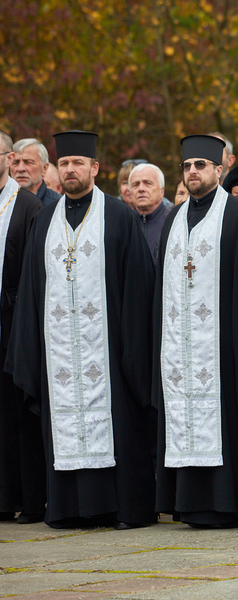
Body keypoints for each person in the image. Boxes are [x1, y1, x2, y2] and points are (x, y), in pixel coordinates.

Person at [5, 130, 157, 529]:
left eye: (78, 163)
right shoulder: (44, 219)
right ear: (57, 169)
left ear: (95, 168)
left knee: (119, 425)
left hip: (109, 350)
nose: (70, 170)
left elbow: (139, 288)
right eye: (65, 164)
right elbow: (32, 289)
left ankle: (123, 509)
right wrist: (30, 349)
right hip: (58, 354)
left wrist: (132, 349)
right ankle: (69, 508)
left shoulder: (118, 215)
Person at [153, 134, 238, 529]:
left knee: (227, 422)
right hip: (180, 345)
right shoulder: (174, 217)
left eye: (200, 165)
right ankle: (189, 505)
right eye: (186, 167)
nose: (192, 173)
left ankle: (231, 506)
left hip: (225, 344)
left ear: (218, 170)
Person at [0, 131, 46, 524]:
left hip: (14, 320)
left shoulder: (29, 206)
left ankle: (26, 498)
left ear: (9, 158)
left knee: (18, 414)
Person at [129, 162, 171, 262]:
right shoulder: (122, 224)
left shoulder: (173, 222)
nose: (141, 189)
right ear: (130, 193)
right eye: (135, 185)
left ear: (162, 191)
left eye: (148, 183)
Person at [11, 139, 61, 206]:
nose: (20, 169)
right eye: (15, 163)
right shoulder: (3, 200)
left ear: (44, 168)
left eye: (28, 162)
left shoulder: (58, 204)